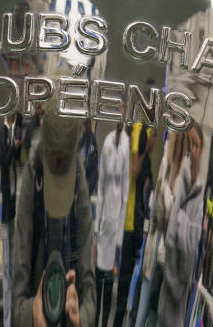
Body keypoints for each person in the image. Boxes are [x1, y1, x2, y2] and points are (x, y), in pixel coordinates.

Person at [12, 109, 95, 327]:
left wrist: (80, 319)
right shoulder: (34, 172)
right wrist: (33, 314)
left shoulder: (78, 180)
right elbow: (17, 294)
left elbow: (88, 283)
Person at [134, 133, 186, 327]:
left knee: (156, 319)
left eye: (172, 137)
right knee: (140, 316)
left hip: (166, 263)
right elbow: (156, 210)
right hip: (150, 256)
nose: (168, 140)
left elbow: (174, 220)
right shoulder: (164, 163)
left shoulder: (184, 175)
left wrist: (165, 195)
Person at [157, 126, 204, 327]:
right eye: (190, 144)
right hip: (163, 282)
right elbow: (169, 237)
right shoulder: (177, 178)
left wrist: (178, 222)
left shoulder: (199, 199)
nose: (192, 151)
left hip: (178, 303)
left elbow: (188, 259)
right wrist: (183, 225)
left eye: (196, 145)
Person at [115, 121, 153, 327]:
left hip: (138, 227)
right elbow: (135, 170)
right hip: (130, 226)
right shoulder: (139, 130)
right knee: (124, 284)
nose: (155, 140)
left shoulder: (149, 160)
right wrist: (144, 147)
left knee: (134, 287)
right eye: (153, 136)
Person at [94, 121, 129, 327]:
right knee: (99, 283)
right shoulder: (107, 141)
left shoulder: (126, 144)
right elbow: (100, 186)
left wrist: (119, 240)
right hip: (104, 224)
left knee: (109, 290)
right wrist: (98, 227)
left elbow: (125, 193)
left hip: (116, 226)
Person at [1, 112, 24, 327]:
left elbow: (18, 159)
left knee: (17, 266)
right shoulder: (2, 131)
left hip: (17, 209)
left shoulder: (18, 128)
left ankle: (15, 316)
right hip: (6, 210)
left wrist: (18, 145)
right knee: (7, 268)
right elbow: (4, 159)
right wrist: (14, 145)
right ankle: (8, 319)